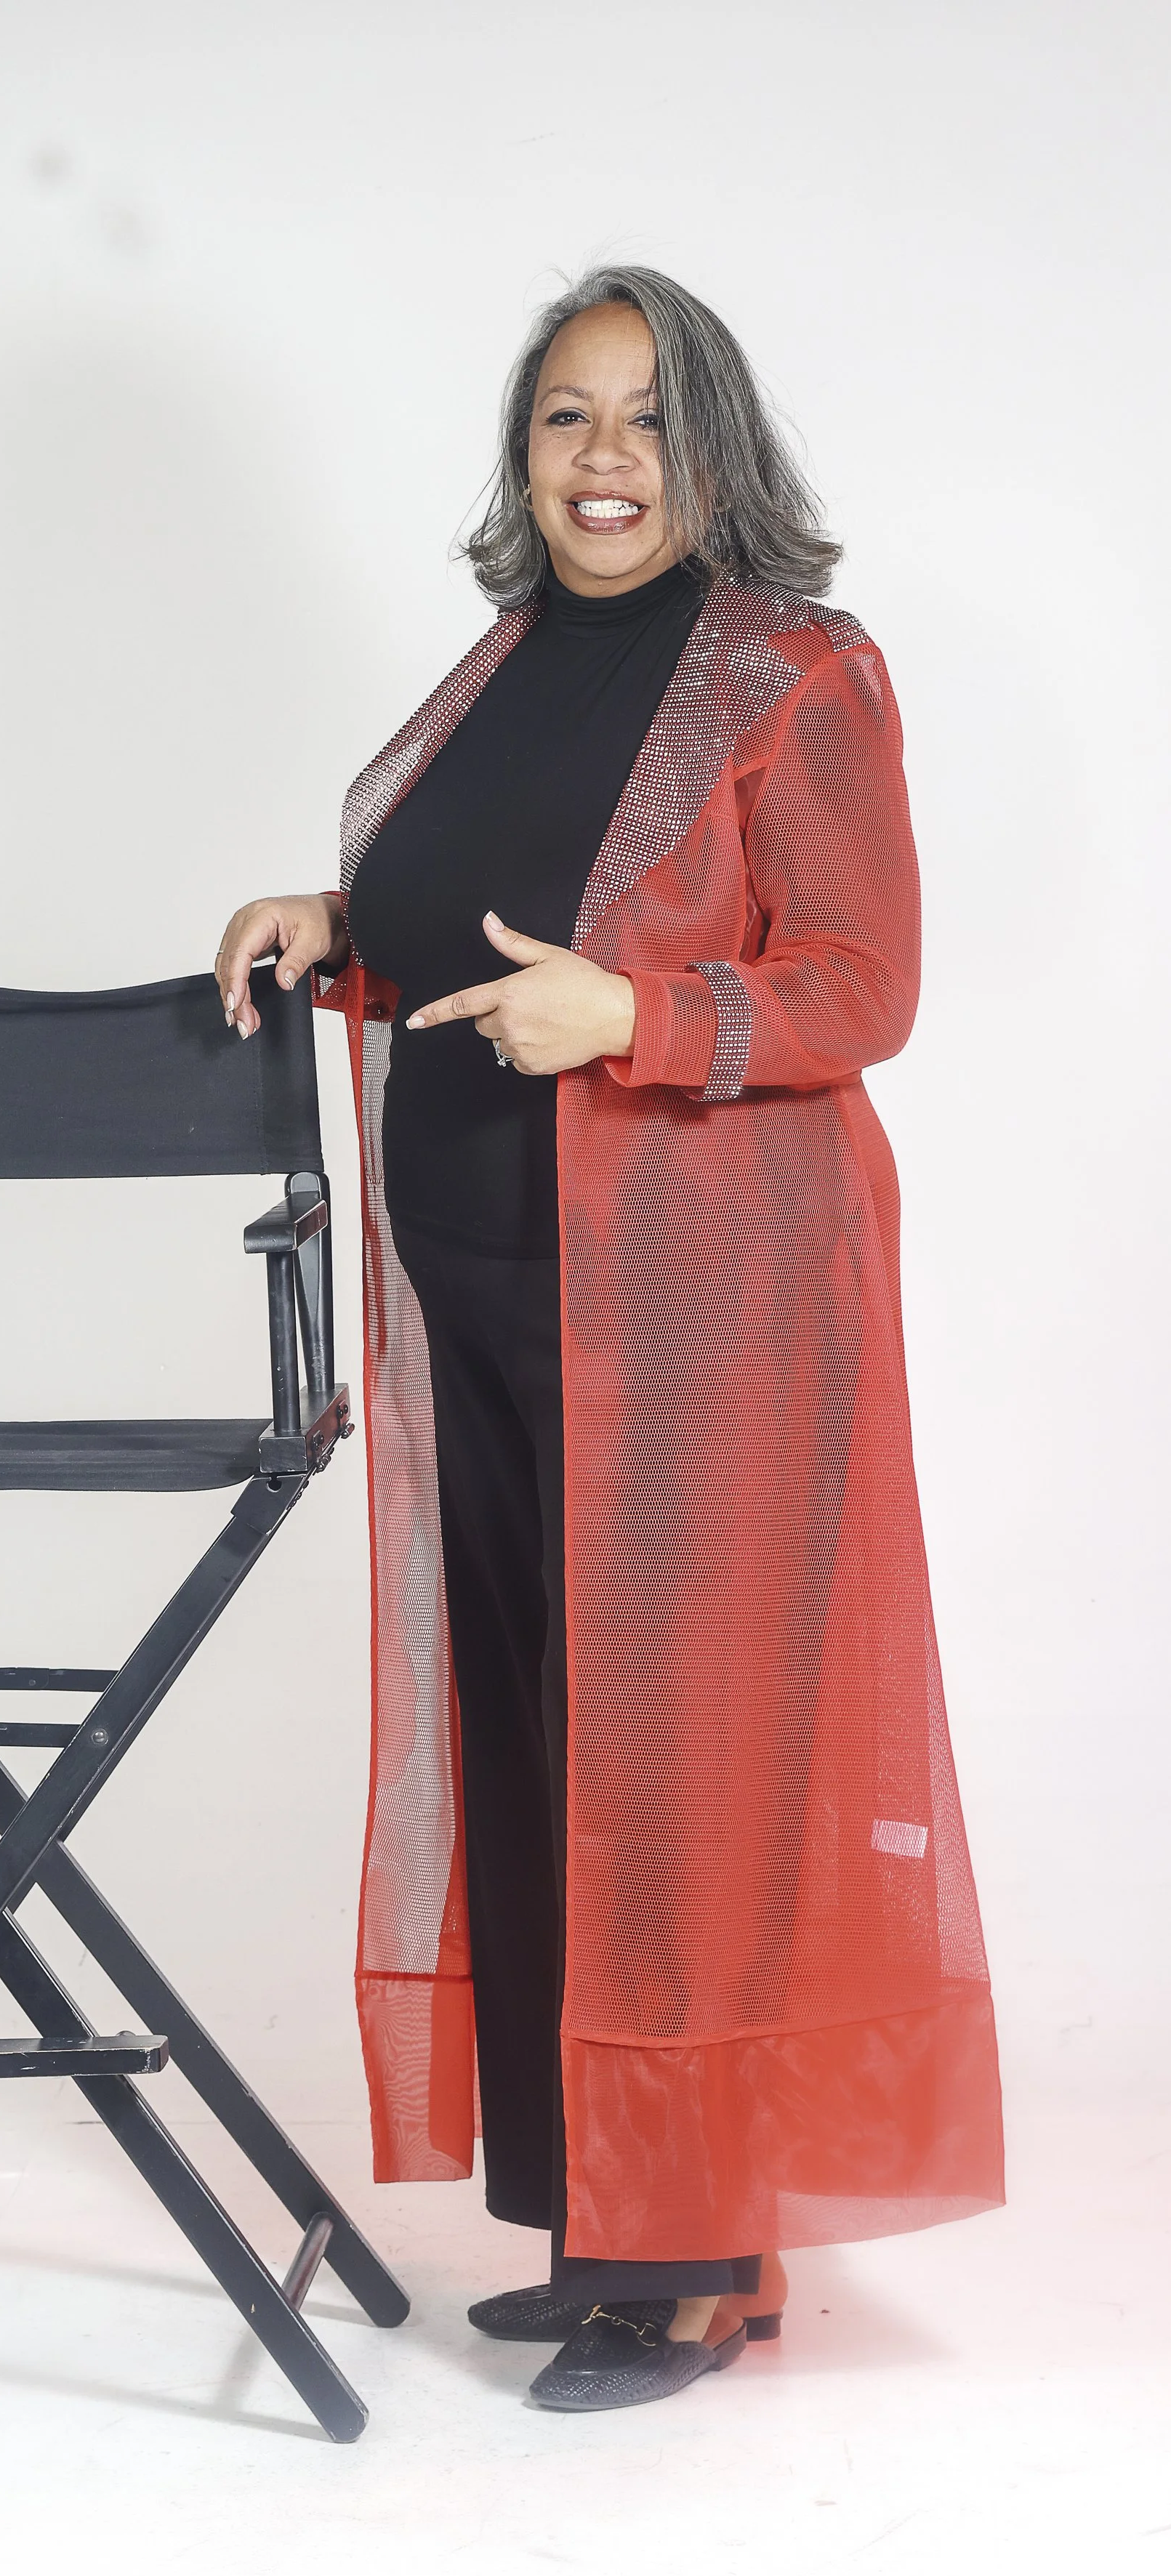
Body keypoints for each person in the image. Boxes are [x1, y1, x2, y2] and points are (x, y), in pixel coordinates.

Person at [214, 265, 1004, 2414]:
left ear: (716, 447)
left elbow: (860, 985)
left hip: (695, 1319)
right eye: (566, 417)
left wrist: (639, 1014)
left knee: (675, 1761)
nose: (602, 459)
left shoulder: (790, 671)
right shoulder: (506, 664)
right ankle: (600, 2221)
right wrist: (331, 923)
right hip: (486, 1300)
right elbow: (467, 924)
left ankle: (692, 2259)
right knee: (539, 1738)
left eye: (647, 418)